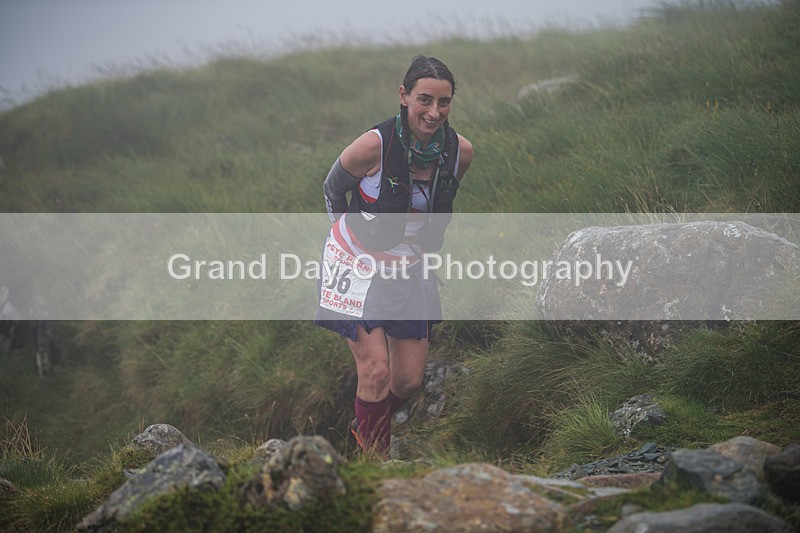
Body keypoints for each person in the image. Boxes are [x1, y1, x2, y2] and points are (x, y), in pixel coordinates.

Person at [314, 55, 473, 458]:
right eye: (424, 100)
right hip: (355, 262)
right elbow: (333, 190)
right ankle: (376, 466)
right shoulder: (373, 145)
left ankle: (364, 422)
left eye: (444, 102)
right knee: (376, 372)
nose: (434, 112)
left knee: (406, 382)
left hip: (410, 267)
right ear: (403, 96)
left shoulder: (460, 152)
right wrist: (345, 241)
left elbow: (435, 205)